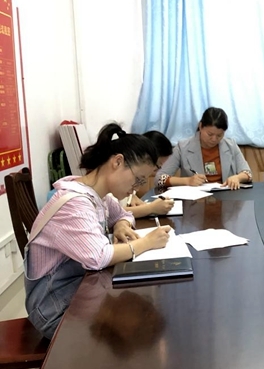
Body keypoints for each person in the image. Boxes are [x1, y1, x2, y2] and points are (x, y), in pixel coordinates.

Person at [25, 123, 171, 338]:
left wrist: (121, 225)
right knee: (135, 318)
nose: (138, 187)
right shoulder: (74, 203)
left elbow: (124, 215)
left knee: (138, 305)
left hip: (80, 290)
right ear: (117, 162)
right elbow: (98, 257)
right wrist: (146, 242)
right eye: (138, 179)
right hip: (54, 308)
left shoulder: (100, 195)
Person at [155, 107, 252, 190]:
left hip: (226, 197)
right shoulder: (182, 147)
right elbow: (159, 178)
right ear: (201, 126)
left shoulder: (231, 145)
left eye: (219, 135)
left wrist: (238, 178)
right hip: (195, 201)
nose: (214, 139)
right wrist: (187, 181)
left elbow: (248, 173)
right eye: (210, 134)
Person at [123, 130, 175, 217]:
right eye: (158, 166)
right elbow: (114, 214)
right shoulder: (122, 175)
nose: (156, 171)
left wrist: (133, 198)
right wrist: (151, 208)